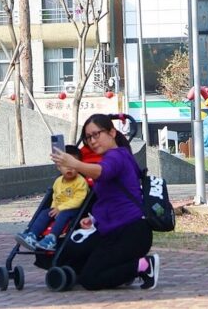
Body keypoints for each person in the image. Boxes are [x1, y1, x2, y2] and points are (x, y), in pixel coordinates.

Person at [49, 114, 159, 290]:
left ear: (112, 133)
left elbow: (102, 172)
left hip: (130, 233)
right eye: (88, 137)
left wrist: (74, 163)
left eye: (96, 134)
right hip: (114, 231)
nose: (92, 141)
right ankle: (122, 270)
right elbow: (112, 199)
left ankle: (144, 266)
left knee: (90, 279)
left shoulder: (116, 156)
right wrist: (93, 219)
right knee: (72, 257)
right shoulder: (117, 155)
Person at [15, 145, 89, 252]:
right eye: (65, 165)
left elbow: (78, 199)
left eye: (72, 165)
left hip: (74, 209)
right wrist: (54, 208)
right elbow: (56, 196)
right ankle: (32, 235)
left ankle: (52, 238)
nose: (69, 168)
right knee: (45, 213)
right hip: (59, 208)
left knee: (64, 214)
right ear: (59, 167)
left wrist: (61, 208)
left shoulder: (80, 181)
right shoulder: (58, 181)